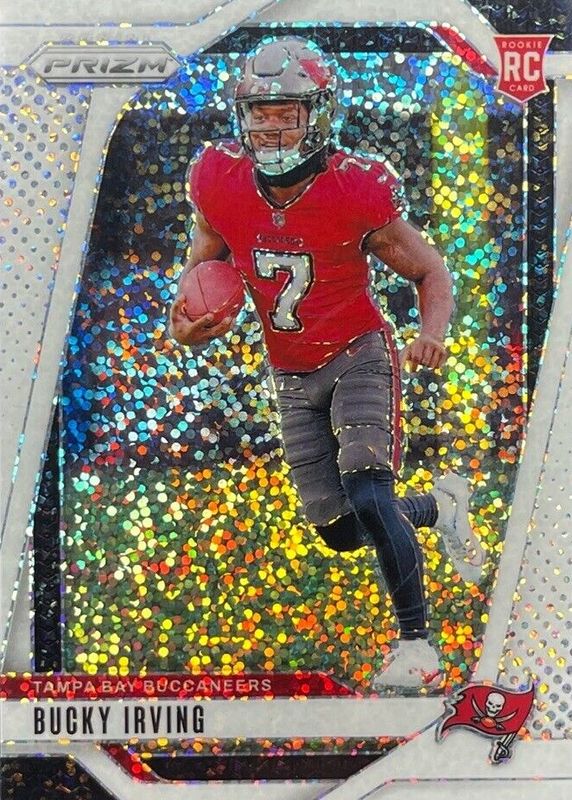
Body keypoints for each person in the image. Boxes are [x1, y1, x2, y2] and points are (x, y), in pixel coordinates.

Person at [169, 37, 484, 692]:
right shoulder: (219, 182)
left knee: (369, 491)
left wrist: (431, 333)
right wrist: (186, 326)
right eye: (260, 113)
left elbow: (430, 270)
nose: (271, 128)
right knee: (340, 530)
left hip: (357, 353)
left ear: (318, 114)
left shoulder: (353, 187)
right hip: (289, 371)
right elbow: (197, 277)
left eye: (286, 113)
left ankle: (417, 647)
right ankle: (440, 507)